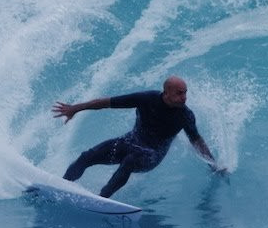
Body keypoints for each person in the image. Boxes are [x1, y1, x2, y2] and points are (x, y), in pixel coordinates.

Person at [52, 76, 224, 199]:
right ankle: (60, 187)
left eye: (185, 93)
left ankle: (102, 200)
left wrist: (213, 165)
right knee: (87, 156)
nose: (184, 97)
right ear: (166, 92)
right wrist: (75, 108)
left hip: (151, 155)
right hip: (130, 142)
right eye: (179, 93)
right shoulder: (147, 99)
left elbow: (196, 140)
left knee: (130, 160)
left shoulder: (185, 116)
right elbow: (105, 103)